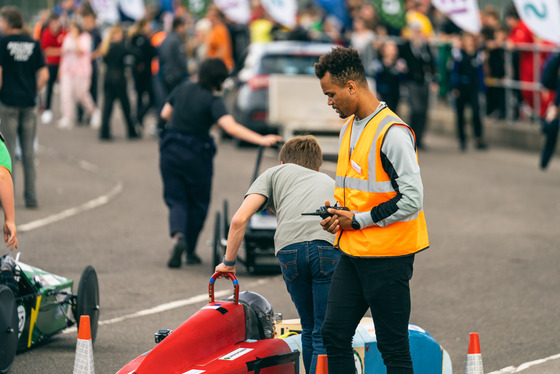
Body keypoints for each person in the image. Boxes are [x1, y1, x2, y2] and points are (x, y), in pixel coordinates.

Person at [314, 47, 429, 374]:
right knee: (333, 333)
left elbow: (412, 198)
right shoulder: (349, 126)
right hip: (354, 253)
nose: (329, 101)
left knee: (393, 348)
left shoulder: (393, 132)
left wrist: (359, 220)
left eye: (331, 93)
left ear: (352, 86)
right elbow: (359, 189)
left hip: (388, 257)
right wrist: (336, 213)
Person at [215, 136, 339, 374]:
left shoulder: (274, 174)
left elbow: (239, 219)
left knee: (309, 325)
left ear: (283, 162)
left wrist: (228, 263)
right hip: (326, 248)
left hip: (289, 250)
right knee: (324, 329)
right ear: (318, 166)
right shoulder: (329, 180)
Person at [160, 58, 281, 268]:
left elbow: (165, 114)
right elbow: (230, 127)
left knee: (176, 198)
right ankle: (189, 249)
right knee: (198, 202)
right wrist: (261, 139)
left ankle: (177, 236)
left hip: (171, 149)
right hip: (197, 153)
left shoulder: (183, 88)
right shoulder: (212, 100)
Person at [0, 6, 49, 209]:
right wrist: (32, 90)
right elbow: (45, 75)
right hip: (29, 103)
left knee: (7, 153)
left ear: (8, 23)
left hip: (9, 102)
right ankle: (31, 196)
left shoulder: (3, 43)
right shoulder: (34, 43)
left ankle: (5, 199)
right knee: (28, 153)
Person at [57, 20, 100, 130]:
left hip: (81, 70)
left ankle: (94, 112)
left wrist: (76, 38)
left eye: (73, 27)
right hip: (67, 70)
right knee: (65, 93)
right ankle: (67, 117)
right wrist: (60, 69)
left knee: (81, 94)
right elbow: (64, 54)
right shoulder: (67, 37)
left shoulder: (85, 37)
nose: (70, 30)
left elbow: (80, 51)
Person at [99, 24, 138, 141]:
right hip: (118, 78)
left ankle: (104, 132)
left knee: (107, 107)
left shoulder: (106, 47)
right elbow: (134, 53)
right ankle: (131, 131)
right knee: (125, 106)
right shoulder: (119, 47)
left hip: (108, 77)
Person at [450, 32, 487, 151]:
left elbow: (480, 73)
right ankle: (462, 139)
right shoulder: (459, 55)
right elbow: (454, 71)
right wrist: (454, 87)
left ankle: (478, 138)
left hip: (473, 86)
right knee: (460, 114)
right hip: (461, 86)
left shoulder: (477, 55)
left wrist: (482, 87)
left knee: (476, 111)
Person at [128, 18, 157, 129]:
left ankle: (138, 120)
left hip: (136, 72)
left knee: (139, 97)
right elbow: (153, 52)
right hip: (145, 73)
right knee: (152, 98)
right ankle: (139, 117)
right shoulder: (144, 39)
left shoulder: (132, 38)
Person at [39, 13, 65, 125]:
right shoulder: (46, 33)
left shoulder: (64, 33)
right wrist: (59, 51)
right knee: (50, 87)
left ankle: (66, 113)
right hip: (51, 64)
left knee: (65, 89)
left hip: (64, 65)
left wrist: (56, 51)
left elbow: (66, 49)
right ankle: (47, 109)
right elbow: (46, 50)